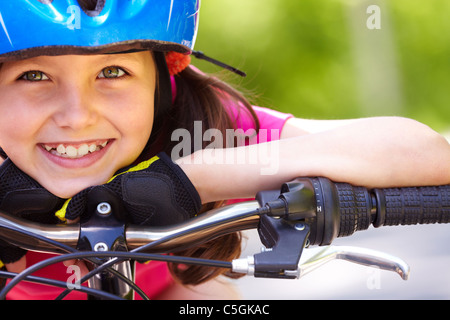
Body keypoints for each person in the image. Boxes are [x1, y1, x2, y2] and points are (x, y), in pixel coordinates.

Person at [0, 0, 448, 300]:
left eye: (113, 71)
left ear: (161, 84)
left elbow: (426, 153)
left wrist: (192, 179)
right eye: (34, 76)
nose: (77, 117)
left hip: (163, 289)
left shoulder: (190, 122)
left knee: (209, 292)